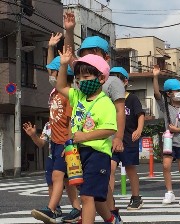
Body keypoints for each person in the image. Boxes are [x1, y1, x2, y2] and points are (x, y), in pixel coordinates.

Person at [64, 12, 126, 220]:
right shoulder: (82, 81)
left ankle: (109, 213)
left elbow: (118, 110)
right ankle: (107, 216)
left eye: (94, 53)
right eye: (85, 53)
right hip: (82, 144)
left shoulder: (111, 82)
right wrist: (70, 31)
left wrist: (118, 137)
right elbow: (70, 57)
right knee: (93, 189)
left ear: (105, 58)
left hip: (104, 141)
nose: (88, 57)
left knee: (99, 185)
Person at [56, 48, 119, 223]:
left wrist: (84, 137)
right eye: (78, 79)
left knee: (87, 196)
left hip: (97, 154)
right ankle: (112, 220)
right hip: (77, 153)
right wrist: (63, 64)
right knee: (94, 197)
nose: (81, 82)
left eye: (86, 78)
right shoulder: (78, 96)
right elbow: (60, 86)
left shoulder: (105, 102)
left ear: (101, 78)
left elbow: (110, 129)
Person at [31, 54, 81, 223]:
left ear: (60, 74)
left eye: (53, 72)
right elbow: (50, 64)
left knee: (58, 177)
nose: (50, 75)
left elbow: (70, 122)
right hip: (55, 142)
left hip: (63, 143)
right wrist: (51, 47)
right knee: (65, 180)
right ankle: (77, 209)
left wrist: (68, 144)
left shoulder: (69, 94)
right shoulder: (54, 94)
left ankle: (52, 209)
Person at [153, 65, 180, 205]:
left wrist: (177, 130)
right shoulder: (165, 106)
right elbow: (157, 95)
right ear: (169, 93)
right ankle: (169, 192)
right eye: (176, 91)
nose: (179, 93)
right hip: (169, 141)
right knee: (166, 166)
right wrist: (155, 76)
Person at [109, 67, 145, 210]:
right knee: (110, 167)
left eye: (118, 79)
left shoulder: (132, 98)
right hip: (112, 138)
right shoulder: (109, 98)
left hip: (128, 138)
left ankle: (136, 197)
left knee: (130, 168)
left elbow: (140, 114)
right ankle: (108, 199)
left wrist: (139, 129)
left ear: (125, 82)